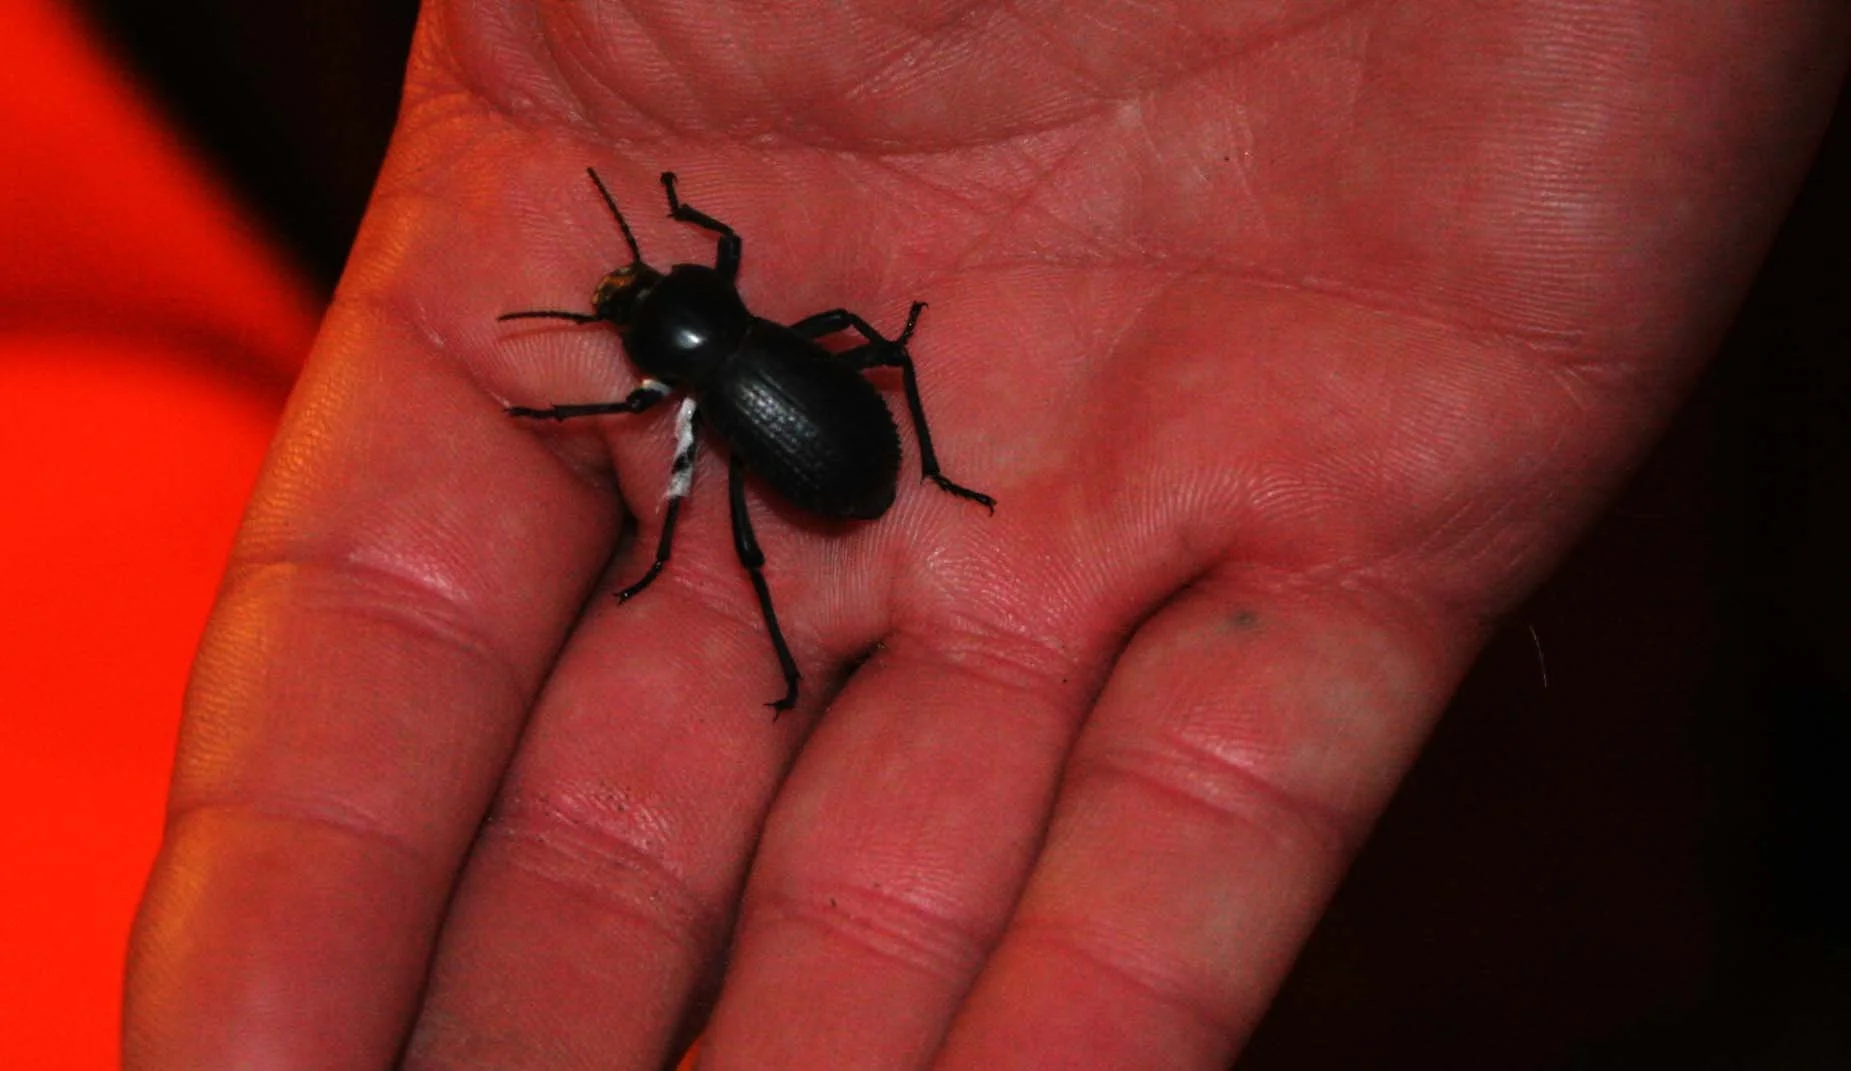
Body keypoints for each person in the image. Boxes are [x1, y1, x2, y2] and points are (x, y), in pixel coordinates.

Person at [123, 2, 1850, 1067]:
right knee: (727, 526)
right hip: (841, 428)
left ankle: (787, 630)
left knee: (711, 538)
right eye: (650, 298)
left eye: (649, 284)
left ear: (682, 313)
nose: (653, 294)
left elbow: (658, 402)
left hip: (829, 438)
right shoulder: (718, 345)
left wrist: (697, 435)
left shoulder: (698, 360)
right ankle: (796, 623)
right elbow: (695, 392)